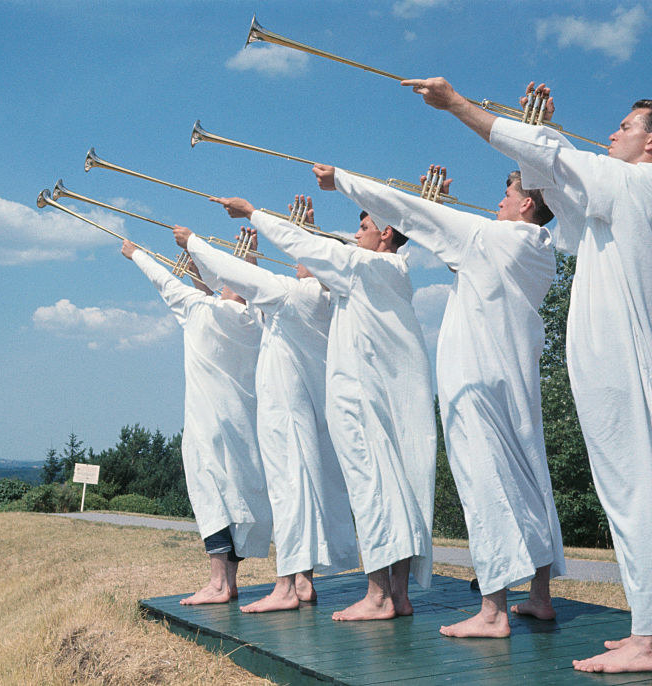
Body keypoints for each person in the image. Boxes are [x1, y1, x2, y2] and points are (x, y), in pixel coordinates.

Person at [401, 77, 652, 672]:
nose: (611, 133)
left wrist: (455, 106)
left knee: (634, 491)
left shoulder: (644, 182)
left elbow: (554, 164)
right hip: (613, 358)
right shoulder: (632, 191)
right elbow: (560, 185)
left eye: (624, 126)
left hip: (617, 360)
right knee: (639, 486)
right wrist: (537, 135)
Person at [314, 161, 566, 638]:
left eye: (506, 193)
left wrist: (343, 182)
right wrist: (435, 208)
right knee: (530, 478)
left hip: (478, 383)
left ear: (527, 203)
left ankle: (493, 613)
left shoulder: (496, 239)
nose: (499, 201)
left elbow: (420, 220)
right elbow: (447, 244)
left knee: (485, 482)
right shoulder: (535, 248)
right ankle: (540, 597)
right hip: (513, 378)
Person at [212, 195, 437, 622]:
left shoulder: (365, 270)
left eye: (364, 226)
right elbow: (322, 253)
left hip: (363, 401)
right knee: (396, 490)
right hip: (386, 399)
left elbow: (319, 256)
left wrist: (252, 214)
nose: (355, 235)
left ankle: (377, 596)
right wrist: (307, 233)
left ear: (385, 233)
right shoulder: (380, 274)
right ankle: (398, 595)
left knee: (372, 491)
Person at [173, 216, 359, 613]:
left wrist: (194, 243)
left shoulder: (295, 295)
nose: (295, 260)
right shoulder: (326, 298)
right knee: (306, 490)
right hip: (307, 410)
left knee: (290, 493)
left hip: (286, 412)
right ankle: (302, 583)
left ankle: (286, 588)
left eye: (305, 254)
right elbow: (243, 290)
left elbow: (243, 285)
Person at [121, 239, 273, 605]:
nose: (219, 283)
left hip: (207, 423)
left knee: (212, 496)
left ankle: (218, 583)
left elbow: (166, 284)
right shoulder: (257, 319)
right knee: (237, 495)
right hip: (244, 424)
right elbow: (217, 299)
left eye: (226, 279)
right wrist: (210, 275)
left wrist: (135, 252)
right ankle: (229, 581)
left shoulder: (199, 309)